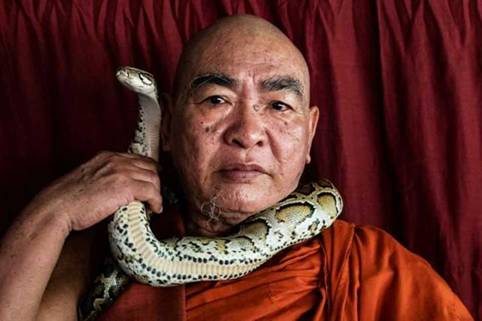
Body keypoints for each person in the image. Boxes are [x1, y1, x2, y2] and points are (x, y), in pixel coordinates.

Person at [0, 15, 473, 321]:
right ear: (167, 126)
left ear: (310, 135)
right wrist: (55, 210)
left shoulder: (372, 270)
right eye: (216, 99)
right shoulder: (96, 250)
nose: (247, 132)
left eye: (279, 105)